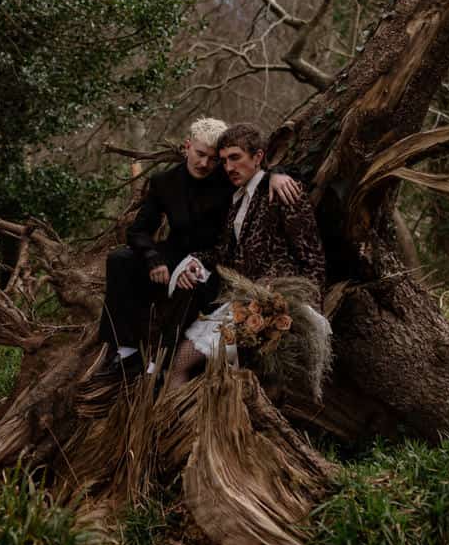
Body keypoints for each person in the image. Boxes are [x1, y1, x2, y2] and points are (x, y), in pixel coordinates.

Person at [97, 117, 300, 378]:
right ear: (187, 146)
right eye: (200, 154)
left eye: (213, 159)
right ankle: (124, 352)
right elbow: (138, 230)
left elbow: (256, 173)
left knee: (193, 284)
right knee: (119, 259)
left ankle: (161, 366)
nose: (205, 164)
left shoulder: (228, 180)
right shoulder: (164, 182)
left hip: (213, 261)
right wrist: (153, 258)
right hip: (172, 254)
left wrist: (277, 174)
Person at [168, 122, 327, 388]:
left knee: (204, 371)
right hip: (241, 302)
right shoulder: (237, 200)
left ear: (257, 157)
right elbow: (226, 255)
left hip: (276, 304)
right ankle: (184, 426)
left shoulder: (281, 190)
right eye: (224, 160)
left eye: (235, 158)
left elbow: (312, 255)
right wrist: (194, 261)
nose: (229, 167)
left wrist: (309, 312)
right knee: (179, 365)